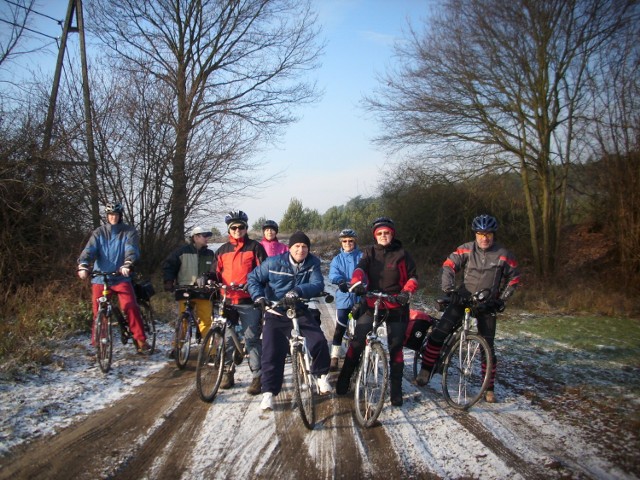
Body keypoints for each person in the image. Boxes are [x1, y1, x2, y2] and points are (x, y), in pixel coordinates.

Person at [415, 214, 520, 403]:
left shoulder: (503, 254)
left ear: (493, 234)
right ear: (475, 234)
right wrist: (449, 289)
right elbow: (448, 266)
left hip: (488, 302)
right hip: (463, 297)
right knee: (440, 333)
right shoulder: (466, 249)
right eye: (480, 234)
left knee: (488, 347)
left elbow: (514, 278)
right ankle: (426, 369)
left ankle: (489, 388)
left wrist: (502, 299)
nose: (484, 238)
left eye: (488, 234)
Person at [336, 217, 418, 407]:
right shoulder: (370, 252)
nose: (383, 236)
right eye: (380, 233)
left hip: (396, 304)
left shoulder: (403, 254)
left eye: (386, 232)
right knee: (357, 341)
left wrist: (407, 292)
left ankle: (396, 388)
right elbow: (360, 268)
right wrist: (356, 282)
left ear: (392, 233)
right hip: (372, 301)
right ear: (375, 235)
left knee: (396, 346)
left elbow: (413, 276)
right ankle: (344, 378)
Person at [247, 231, 332, 411]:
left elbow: (317, 284)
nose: (301, 250)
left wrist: (298, 291)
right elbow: (253, 279)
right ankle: (268, 393)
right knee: (271, 352)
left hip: (299, 310)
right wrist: (259, 297)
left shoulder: (313, 263)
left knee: (319, 341)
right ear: (290, 248)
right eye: (297, 246)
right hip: (276, 312)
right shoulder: (272, 262)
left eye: (304, 247)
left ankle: (321, 376)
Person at [77, 201, 151, 354]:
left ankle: (140, 339)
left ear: (120, 215)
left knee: (130, 306)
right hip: (100, 278)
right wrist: (83, 265)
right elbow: (89, 249)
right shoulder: (99, 232)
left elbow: (131, 248)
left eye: (116, 215)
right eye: (110, 215)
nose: (113, 218)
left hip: (120, 277)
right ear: (107, 216)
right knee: (98, 311)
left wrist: (128, 263)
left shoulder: (129, 232)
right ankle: (98, 343)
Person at [213, 210, 267, 395]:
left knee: (251, 339)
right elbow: (215, 272)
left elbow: (264, 272)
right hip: (228, 300)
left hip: (248, 301)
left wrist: (256, 287)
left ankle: (257, 376)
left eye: (241, 227)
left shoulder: (255, 247)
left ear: (246, 228)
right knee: (227, 340)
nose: (237, 230)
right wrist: (206, 277)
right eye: (234, 227)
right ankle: (228, 372)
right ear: (229, 229)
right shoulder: (222, 250)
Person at [162, 226, 215, 355]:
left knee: (206, 321)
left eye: (208, 235)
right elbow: (169, 266)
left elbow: (215, 271)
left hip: (204, 291)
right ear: (195, 237)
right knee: (183, 321)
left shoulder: (210, 254)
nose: (207, 238)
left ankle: (211, 352)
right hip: (185, 289)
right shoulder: (181, 252)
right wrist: (169, 281)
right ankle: (177, 348)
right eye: (204, 235)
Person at [328, 228, 362, 371]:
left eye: (350, 241)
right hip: (344, 297)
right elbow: (333, 274)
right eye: (345, 241)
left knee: (362, 329)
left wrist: (364, 284)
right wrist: (340, 281)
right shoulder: (337, 259)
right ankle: (334, 356)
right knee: (340, 327)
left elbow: (367, 272)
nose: (348, 243)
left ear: (355, 242)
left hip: (360, 297)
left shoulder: (362, 256)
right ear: (341, 243)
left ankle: (359, 355)